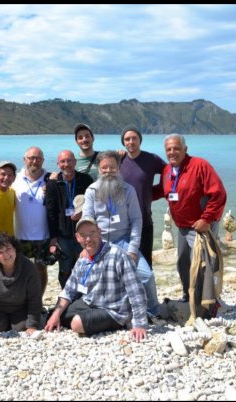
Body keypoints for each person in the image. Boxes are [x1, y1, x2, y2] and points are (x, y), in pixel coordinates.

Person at [83, 150, 160, 318]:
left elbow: (136, 220)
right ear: (99, 169)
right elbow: (87, 220)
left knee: (146, 276)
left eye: (112, 167)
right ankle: (99, 308)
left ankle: (153, 310)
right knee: (89, 276)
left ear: (118, 168)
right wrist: (87, 246)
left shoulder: (128, 190)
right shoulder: (91, 191)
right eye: (104, 168)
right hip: (99, 242)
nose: (108, 171)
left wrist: (132, 249)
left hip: (123, 240)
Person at [44, 217, 148, 340]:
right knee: (52, 315)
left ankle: (120, 324)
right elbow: (68, 291)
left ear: (99, 232)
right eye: (83, 235)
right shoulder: (82, 260)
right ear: (77, 237)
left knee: (76, 324)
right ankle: (86, 319)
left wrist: (140, 324)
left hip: (114, 310)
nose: (88, 239)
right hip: (90, 303)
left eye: (92, 233)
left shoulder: (118, 255)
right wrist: (56, 314)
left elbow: (136, 291)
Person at [153, 134, 227, 302]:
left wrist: (207, 219)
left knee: (204, 265)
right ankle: (189, 295)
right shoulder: (166, 170)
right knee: (183, 262)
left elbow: (219, 194)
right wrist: (139, 195)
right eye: (169, 149)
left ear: (185, 149)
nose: (172, 152)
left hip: (199, 226)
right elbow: (163, 190)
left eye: (176, 148)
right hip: (182, 226)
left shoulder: (200, 165)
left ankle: (208, 301)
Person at [0, 233, 42, 334]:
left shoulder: (29, 267)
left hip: (21, 308)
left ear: (15, 248)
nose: (6, 255)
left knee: (21, 328)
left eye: (8, 249)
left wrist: (32, 325)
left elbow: (35, 298)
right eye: (0, 252)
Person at [119, 126, 166, 268]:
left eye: (134, 138)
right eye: (127, 139)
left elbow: (170, 173)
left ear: (140, 140)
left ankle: (147, 291)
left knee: (145, 265)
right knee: (123, 265)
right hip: (121, 223)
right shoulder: (118, 160)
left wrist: (156, 192)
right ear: (123, 142)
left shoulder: (151, 159)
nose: (131, 142)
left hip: (144, 221)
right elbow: (104, 178)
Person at [45, 150, 93, 288]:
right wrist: (53, 239)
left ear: (75, 162)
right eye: (63, 161)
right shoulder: (53, 184)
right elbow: (50, 212)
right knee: (65, 270)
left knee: (85, 268)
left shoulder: (86, 180)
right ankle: (67, 298)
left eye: (70, 161)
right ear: (58, 164)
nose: (67, 164)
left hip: (83, 235)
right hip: (63, 236)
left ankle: (83, 298)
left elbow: (93, 205)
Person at [11, 146, 51, 297]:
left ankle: (38, 301)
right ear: (24, 159)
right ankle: (22, 300)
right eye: (31, 158)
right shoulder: (15, 178)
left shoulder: (50, 178)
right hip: (21, 235)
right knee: (20, 270)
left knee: (41, 269)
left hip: (44, 235)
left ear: (43, 160)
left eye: (38, 158)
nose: (35, 161)